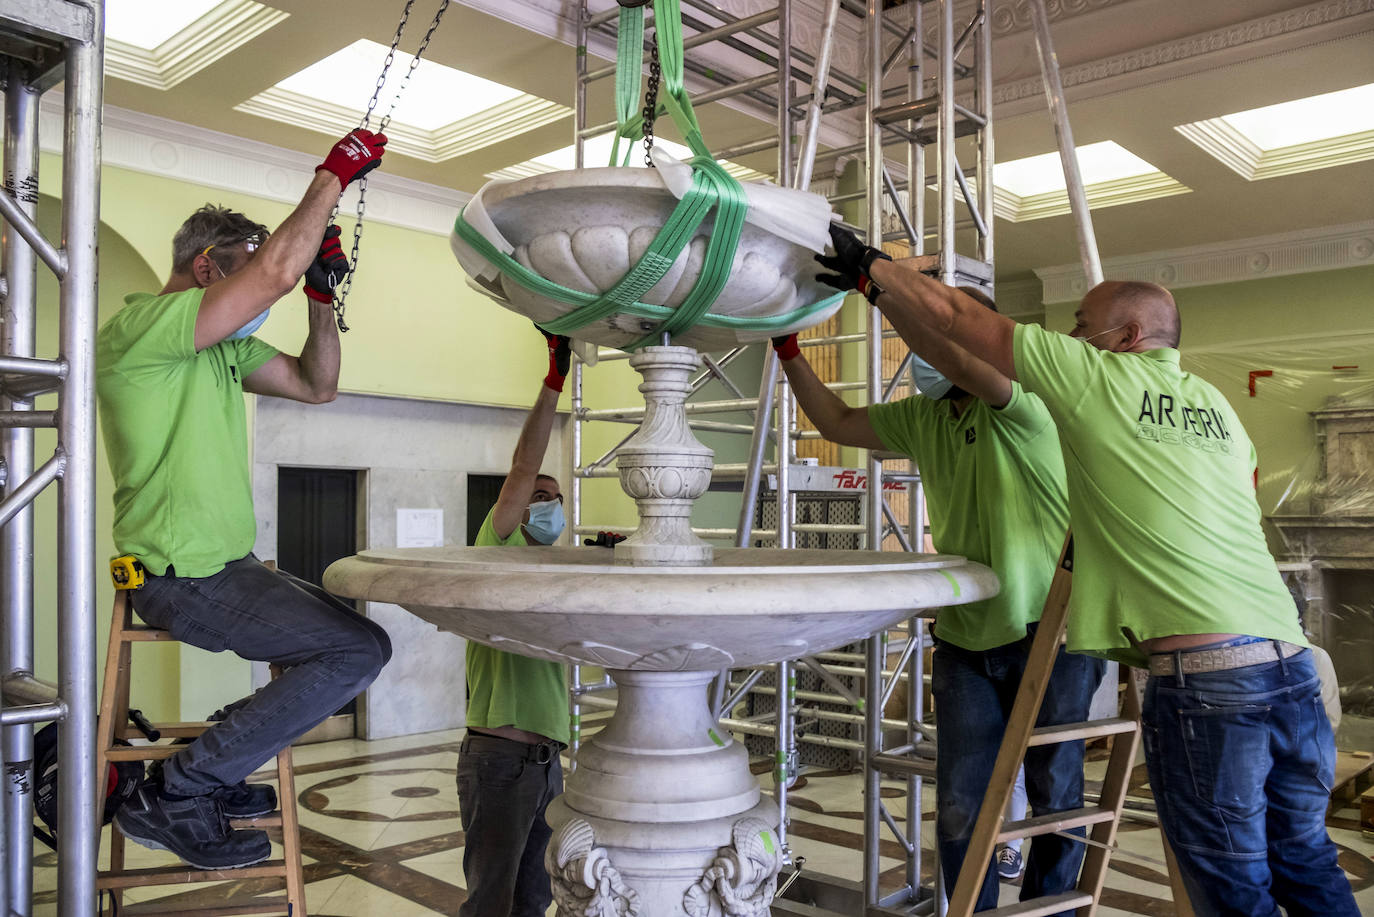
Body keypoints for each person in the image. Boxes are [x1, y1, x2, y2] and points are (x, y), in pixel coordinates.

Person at [814, 223, 1360, 917]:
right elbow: (1243, 485)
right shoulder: (1217, 404)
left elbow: (958, 322)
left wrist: (875, 271)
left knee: (1232, 888)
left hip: (1207, 679)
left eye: (1081, 323)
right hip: (1290, 663)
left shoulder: (1094, 377)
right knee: (1304, 861)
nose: (1071, 336)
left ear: (1127, 335)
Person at [96, 129, 394, 871]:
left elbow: (317, 385)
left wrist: (322, 301)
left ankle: (218, 759)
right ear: (206, 267)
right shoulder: (143, 329)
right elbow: (269, 279)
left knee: (354, 634)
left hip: (230, 565)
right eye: (244, 268)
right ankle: (178, 791)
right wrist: (331, 176)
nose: (262, 284)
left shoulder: (223, 348)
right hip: (180, 577)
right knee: (355, 649)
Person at [772, 284, 1104, 912]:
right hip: (963, 638)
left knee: (1056, 795)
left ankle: (1048, 910)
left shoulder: (1023, 403)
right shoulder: (924, 419)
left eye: (933, 334)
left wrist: (880, 286)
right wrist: (789, 348)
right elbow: (836, 423)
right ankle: (971, 909)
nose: (921, 354)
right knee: (959, 804)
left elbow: (962, 364)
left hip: (1048, 632)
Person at [457, 327, 572, 917]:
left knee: (535, 897)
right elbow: (523, 464)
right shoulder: (495, 547)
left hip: (547, 760)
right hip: (500, 760)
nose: (551, 505)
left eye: (557, 499)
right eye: (541, 497)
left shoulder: (554, 571)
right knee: (491, 901)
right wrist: (554, 381)